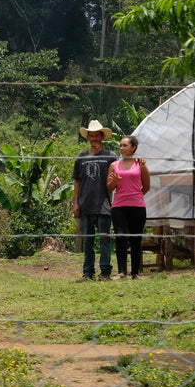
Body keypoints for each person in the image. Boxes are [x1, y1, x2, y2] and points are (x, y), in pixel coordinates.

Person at [72, 120, 117, 281]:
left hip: (104, 205)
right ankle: (88, 272)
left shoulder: (111, 156)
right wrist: (76, 203)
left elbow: (119, 175)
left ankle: (105, 272)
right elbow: (77, 182)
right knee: (88, 242)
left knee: (105, 240)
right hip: (85, 205)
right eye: (91, 135)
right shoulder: (81, 158)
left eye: (97, 135)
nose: (94, 138)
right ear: (88, 137)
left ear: (102, 137)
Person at [107, 135, 150, 279]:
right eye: (120, 145)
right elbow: (109, 187)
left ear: (134, 148)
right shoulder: (114, 165)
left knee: (136, 239)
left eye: (125, 145)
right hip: (119, 207)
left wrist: (135, 196)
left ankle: (135, 273)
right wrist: (114, 182)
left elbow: (147, 186)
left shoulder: (141, 165)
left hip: (137, 207)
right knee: (121, 238)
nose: (121, 148)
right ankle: (122, 272)